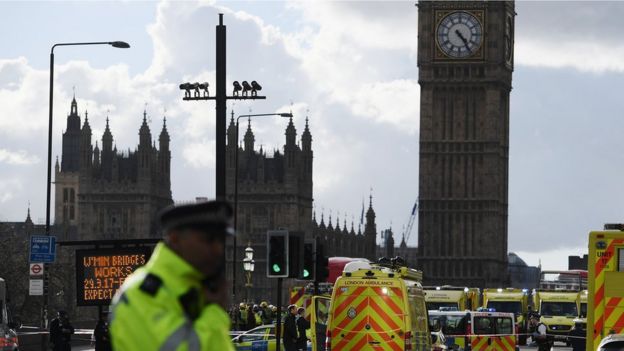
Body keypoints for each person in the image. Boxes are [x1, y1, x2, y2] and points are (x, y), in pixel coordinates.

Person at [109, 200, 235, 351]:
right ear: (175, 239)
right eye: (208, 240)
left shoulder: (200, 288)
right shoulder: (141, 293)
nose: (218, 249)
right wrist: (215, 311)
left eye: (221, 240)